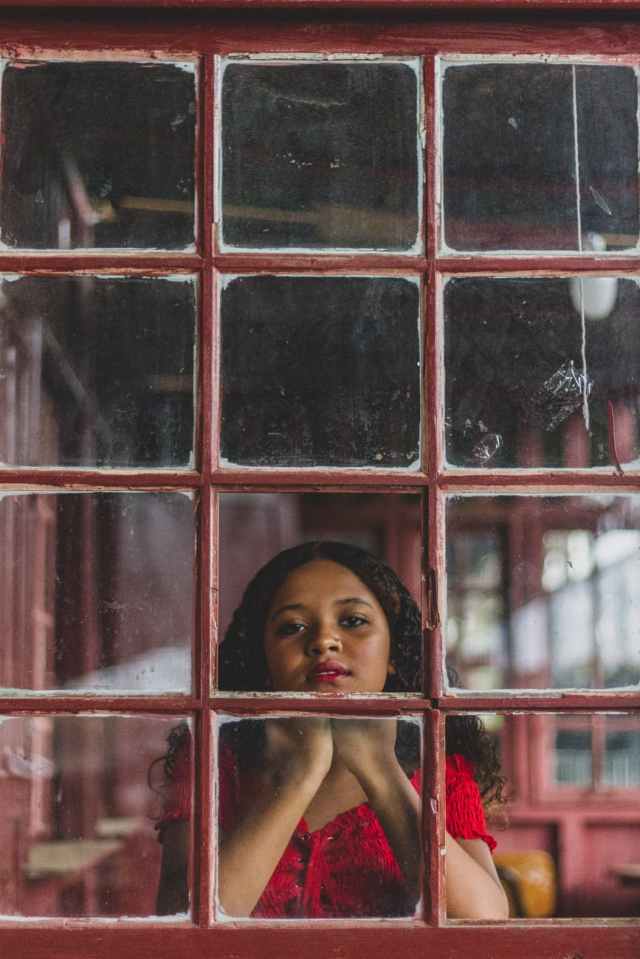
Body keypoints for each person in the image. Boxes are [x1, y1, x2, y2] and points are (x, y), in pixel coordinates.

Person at [154, 541, 509, 920]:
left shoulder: (442, 770)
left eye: (353, 621)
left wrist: (380, 769)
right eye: (293, 627)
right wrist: (301, 775)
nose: (324, 640)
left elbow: (481, 924)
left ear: (394, 654)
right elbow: (181, 919)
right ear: (264, 658)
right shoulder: (212, 763)